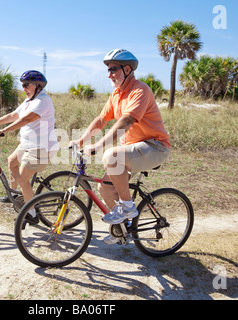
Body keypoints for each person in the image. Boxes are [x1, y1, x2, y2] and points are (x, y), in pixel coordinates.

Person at [70, 49, 170, 244]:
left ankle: (128, 206)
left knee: (111, 155)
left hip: (155, 147)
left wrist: (98, 146)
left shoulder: (140, 90)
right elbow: (101, 120)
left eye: (113, 69)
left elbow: (126, 121)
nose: (109, 74)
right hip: (133, 150)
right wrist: (80, 141)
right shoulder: (116, 94)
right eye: (108, 70)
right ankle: (122, 229)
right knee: (104, 187)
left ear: (127, 69)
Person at [0, 70, 58, 224]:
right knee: (11, 162)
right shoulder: (29, 101)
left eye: (26, 85)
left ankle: (32, 214)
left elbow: (26, 119)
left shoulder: (43, 100)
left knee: (23, 178)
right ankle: (17, 196)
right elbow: (13, 116)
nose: (24, 88)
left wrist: (3, 131)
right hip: (28, 144)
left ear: (37, 86)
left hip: (41, 148)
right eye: (22, 85)